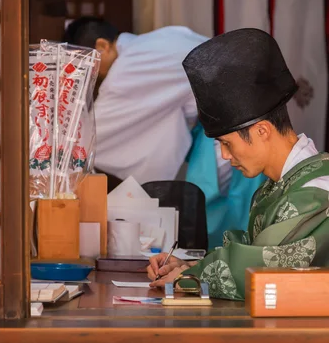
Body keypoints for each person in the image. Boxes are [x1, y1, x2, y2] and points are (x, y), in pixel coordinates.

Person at [146, 28, 329, 300]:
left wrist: (189, 277)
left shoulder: (317, 194)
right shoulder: (285, 184)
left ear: (262, 131)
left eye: (227, 144)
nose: (226, 156)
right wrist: (190, 267)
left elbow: (264, 268)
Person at [63, 17, 265, 248]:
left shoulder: (128, 69)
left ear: (102, 46)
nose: (96, 76)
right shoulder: (164, 36)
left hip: (232, 124)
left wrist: (59, 148)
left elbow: (95, 134)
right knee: (243, 203)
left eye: (91, 65)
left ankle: (219, 265)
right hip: (243, 117)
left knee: (208, 206)